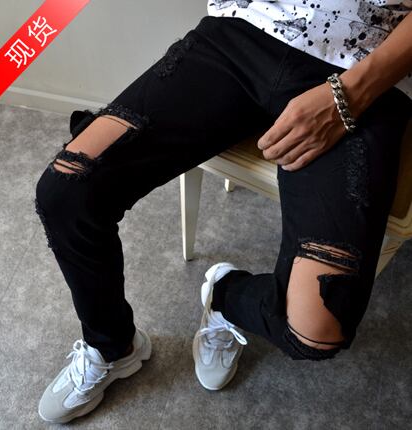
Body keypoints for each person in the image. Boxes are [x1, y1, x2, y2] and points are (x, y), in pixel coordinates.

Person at [34, 0, 412, 424]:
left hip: (365, 67)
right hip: (242, 34)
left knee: (317, 331)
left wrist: (348, 96)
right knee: (67, 190)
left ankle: (225, 298)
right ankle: (112, 346)